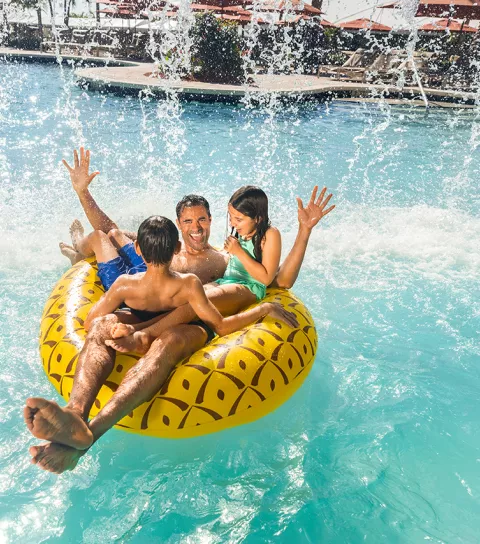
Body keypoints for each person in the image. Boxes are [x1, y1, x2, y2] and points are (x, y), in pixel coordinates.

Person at [24, 147, 335, 474]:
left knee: (169, 339)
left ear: (212, 222)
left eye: (202, 219)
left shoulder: (224, 259)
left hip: (192, 327)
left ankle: (92, 432)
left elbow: (277, 281)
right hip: (147, 314)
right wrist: (83, 192)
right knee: (101, 326)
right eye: (188, 221)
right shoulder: (168, 252)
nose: (196, 227)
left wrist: (305, 231)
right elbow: (112, 230)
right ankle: (74, 416)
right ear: (178, 226)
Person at [106, 185, 283, 354]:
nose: (232, 223)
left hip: (247, 287)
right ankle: (136, 328)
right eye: (230, 217)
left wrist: (238, 252)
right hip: (225, 282)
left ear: (258, 218)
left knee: (193, 304)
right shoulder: (243, 233)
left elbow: (266, 278)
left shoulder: (269, 234)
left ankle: (144, 336)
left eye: (238, 219)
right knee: (188, 298)